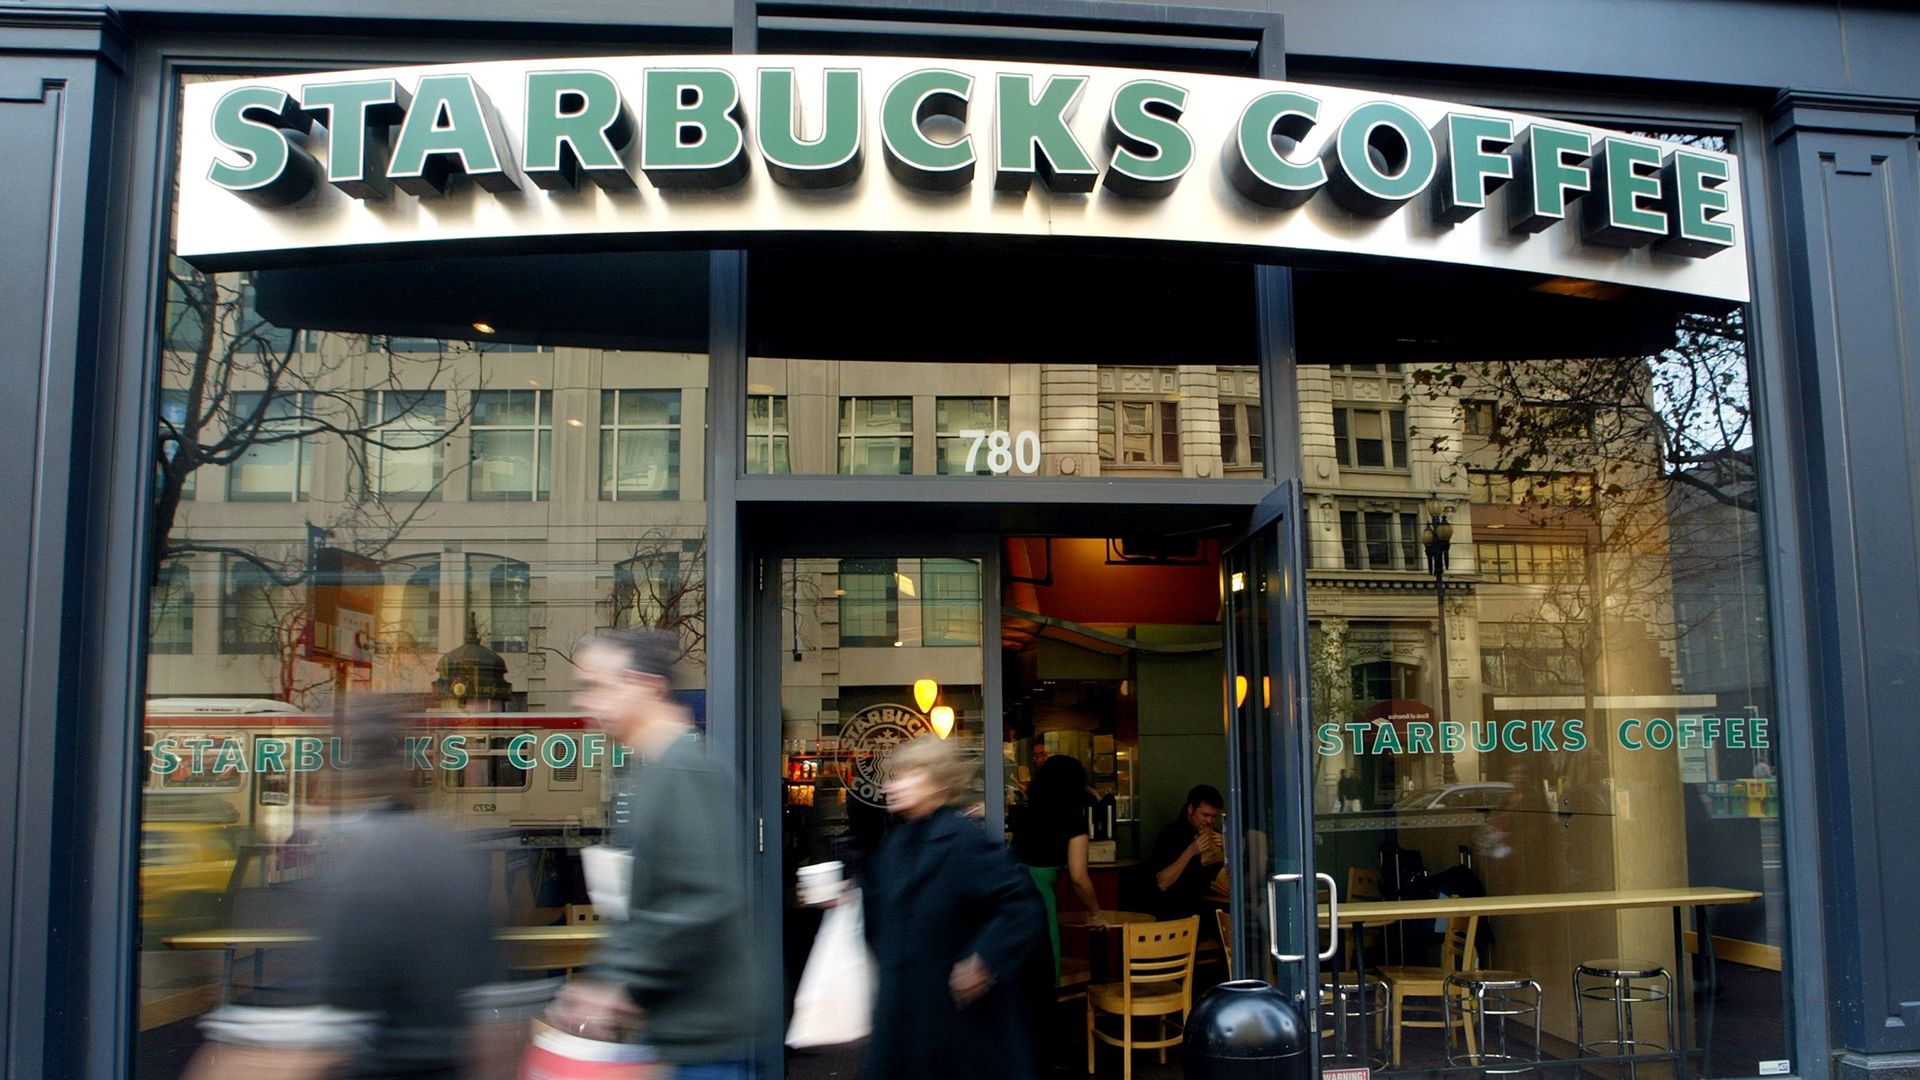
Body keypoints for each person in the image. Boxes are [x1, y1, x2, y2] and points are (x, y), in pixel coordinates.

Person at [184, 696, 501, 1080]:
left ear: (343, 771)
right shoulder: (449, 851)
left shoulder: (363, 866)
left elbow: (320, 1044)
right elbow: (489, 1031)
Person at [550, 629, 757, 1079]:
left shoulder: (684, 769)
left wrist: (617, 982)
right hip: (681, 1032)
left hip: (700, 1041)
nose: (585, 701)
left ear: (647, 686)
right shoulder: (660, 769)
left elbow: (700, 899)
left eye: (597, 685)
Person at [863, 734, 1047, 1080]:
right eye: (895, 776)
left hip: (951, 1023)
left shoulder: (964, 841)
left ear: (937, 783)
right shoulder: (896, 843)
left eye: (908, 775)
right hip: (903, 1017)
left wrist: (983, 960)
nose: (892, 786)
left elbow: (1021, 906)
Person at [1013, 755, 1105, 985]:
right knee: (1044, 972)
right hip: (1039, 896)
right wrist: (1095, 913)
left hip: (1010, 891)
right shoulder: (1073, 820)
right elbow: (1079, 877)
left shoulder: (1025, 813)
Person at [1143, 785, 1227, 922]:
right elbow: (1162, 883)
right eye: (1205, 815)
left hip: (1210, 910)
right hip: (1175, 912)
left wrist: (1228, 850)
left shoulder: (1217, 836)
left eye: (1213, 817)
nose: (1209, 821)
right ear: (1191, 809)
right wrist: (1191, 851)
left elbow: (1225, 880)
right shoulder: (1170, 835)